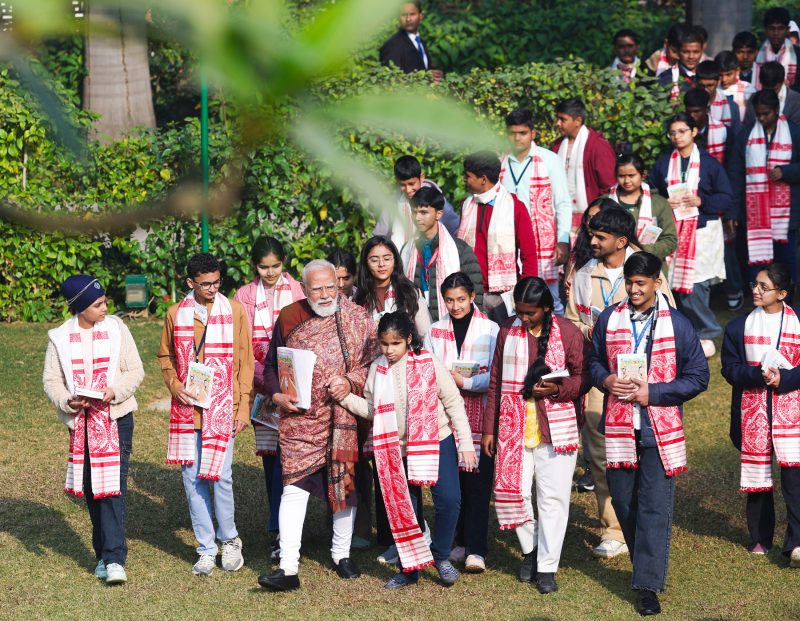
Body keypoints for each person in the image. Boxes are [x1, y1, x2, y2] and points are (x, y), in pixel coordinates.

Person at [589, 251, 709, 617]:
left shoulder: (680, 325)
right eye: (629, 283)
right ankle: (648, 557)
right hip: (620, 425)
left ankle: (646, 586)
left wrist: (651, 393)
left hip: (659, 430)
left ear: (658, 283)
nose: (634, 289)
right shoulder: (611, 318)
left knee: (655, 507)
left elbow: (698, 377)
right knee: (623, 501)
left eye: (641, 283)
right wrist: (605, 379)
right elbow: (594, 362)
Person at [257, 259, 380, 591]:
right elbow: (271, 365)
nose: (326, 294)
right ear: (303, 287)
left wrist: (350, 380)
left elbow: (373, 364)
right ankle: (288, 568)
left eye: (331, 287)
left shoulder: (358, 318)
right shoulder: (290, 316)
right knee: (293, 488)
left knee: (345, 488)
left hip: (344, 418)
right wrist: (277, 394)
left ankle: (342, 555)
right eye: (317, 288)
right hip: (300, 420)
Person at [340, 311, 477, 589]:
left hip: (437, 440)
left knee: (449, 500)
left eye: (396, 344)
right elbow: (372, 410)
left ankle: (440, 556)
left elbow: (453, 402)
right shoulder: (377, 369)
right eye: (384, 344)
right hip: (394, 450)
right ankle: (410, 568)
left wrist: (465, 444)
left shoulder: (428, 362)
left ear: (409, 340)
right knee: (406, 510)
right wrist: (345, 398)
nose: (389, 351)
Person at [566, 207, 673, 561]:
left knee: (645, 452)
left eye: (599, 237)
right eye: (591, 235)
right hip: (602, 380)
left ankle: (643, 519)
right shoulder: (583, 274)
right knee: (601, 454)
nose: (591, 242)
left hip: (645, 381)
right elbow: (572, 322)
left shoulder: (646, 270)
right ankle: (613, 528)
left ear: (621, 241)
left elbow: (668, 320)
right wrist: (592, 333)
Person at [484, 276, 589, 594]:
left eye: (530, 312)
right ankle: (530, 549)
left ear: (545, 308)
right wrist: (489, 428)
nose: (523, 318)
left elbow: (585, 376)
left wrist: (558, 388)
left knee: (553, 500)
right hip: (512, 428)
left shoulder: (567, 332)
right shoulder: (507, 330)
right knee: (511, 494)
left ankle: (547, 566)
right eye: (518, 311)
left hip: (555, 430)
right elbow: (495, 381)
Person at [43, 275, 144, 585]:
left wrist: (114, 391)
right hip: (83, 423)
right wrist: (66, 400)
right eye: (98, 304)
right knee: (90, 486)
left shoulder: (116, 329)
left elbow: (135, 371)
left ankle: (115, 558)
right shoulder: (60, 338)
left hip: (115, 418)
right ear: (80, 308)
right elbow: (51, 381)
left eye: (104, 303)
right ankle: (102, 554)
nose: (105, 308)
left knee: (111, 486)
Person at [158, 253, 253, 576]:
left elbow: (245, 360)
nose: (212, 288)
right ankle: (206, 546)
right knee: (191, 479)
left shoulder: (235, 311)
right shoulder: (175, 314)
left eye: (216, 282)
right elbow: (165, 355)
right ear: (190, 283)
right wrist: (173, 384)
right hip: (188, 410)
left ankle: (229, 540)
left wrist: (243, 406)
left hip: (223, 408)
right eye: (205, 284)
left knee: (222, 477)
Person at [721, 263, 800, 565]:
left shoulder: (798, 322)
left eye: (763, 287)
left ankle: (796, 542)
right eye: (755, 284)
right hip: (753, 409)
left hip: (792, 409)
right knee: (759, 475)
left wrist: (786, 379)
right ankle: (760, 537)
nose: (755, 290)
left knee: (794, 476)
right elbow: (729, 369)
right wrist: (759, 374)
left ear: (782, 293)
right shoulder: (738, 327)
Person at [233, 236, 304, 557]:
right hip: (262, 387)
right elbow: (242, 346)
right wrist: (267, 381)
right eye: (264, 267)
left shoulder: (298, 291)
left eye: (276, 266)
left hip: (294, 385)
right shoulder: (244, 296)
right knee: (271, 459)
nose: (271, 273)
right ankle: (277, 528)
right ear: (254, 266)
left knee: (291, 460)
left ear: (285, 262)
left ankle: (285, 527)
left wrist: (286, 380)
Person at [424, 272, 499, 573]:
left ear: (472, 297)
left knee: (477, 484)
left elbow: (495, 375)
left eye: (461, 300)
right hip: (446, 417)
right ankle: (457, 541)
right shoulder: (436, 330)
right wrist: (449, 385)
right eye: (449, 300)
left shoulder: (490, 329)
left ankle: (477, 548)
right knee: (453, 483)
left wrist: (464, 383)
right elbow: (428, 368)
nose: (455, 306)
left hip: (480, 413)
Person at [649, 113, 734, 358]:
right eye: (673, 132)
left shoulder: (709, 164)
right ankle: (689, 332)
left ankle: (707, 330)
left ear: (694, 132)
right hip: (674, 229)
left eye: (682, 131)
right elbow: (652, 193)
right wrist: (665, 202)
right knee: (674, 283)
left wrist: (701, 200)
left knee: (696, 285)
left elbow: (726, 198)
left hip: (702, 231)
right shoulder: (664, 162)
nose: (677, 136)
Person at [502, 107, 571, 315]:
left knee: (550, 298)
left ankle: (557, 343)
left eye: (522, 133)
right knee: (513, 298)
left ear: (532, 133)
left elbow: (563, 203)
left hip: (543, 241)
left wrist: (563, 239)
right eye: (512, 133)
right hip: (509, 240)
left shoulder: (549, 160)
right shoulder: (501, 162)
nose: (517, 138)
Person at [729, 89, 800, 283]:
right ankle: (759, 302)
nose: (761, 118)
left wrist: (786, 172)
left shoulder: (794, 132)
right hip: (754, 214)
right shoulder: (745, 136)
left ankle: (787, 301)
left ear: (776, 110)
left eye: (765, 113)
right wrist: (734, 212)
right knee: (757, 262)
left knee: (786, 261)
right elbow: (735, 176)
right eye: (758, 114)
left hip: (787, 215)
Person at [457, 150, 538, 317]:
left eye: (468, 176)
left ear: (483, 179)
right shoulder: (467, 206)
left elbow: (529, 255)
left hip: (503, 295)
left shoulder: (515, 207)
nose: (465, 180)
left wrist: (524, 293)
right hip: (471, 291)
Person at [400, 185, 483, 322]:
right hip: (417, 322)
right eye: (414, 212)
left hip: (454, 321)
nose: (418, 218)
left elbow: (476, 291)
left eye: (424, 212)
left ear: (439, 214)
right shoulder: (407, 249)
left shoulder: (459, 249)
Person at [552, 98, 617, 237]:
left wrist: (601, 219)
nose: (558, 123)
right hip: (560, 221)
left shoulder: (597, 146)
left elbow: (609, 187)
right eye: (557, 119)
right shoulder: (557, 146)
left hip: (593, 223)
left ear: (578, 120)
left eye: (562, 119)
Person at [374, 155, 460, 249]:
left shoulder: (435, 199)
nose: (408, 189)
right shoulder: (394, 202)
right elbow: (380, 234)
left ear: (421, 177)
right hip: (399, 257)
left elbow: (455, 228)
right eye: (402, 185)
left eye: (411, 184)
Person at [608, 152, 677, 262]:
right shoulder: (605, 202)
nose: (626, 181)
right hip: (613, 264)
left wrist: (642, 250)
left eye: (631, 176)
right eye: (621, 176)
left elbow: (670, 240)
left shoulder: (659, 203)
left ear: (643, 174)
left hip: (650, 266)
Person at [355, 235, 431, 335]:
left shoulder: (410, 293)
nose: (381, 264)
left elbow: (425, 334)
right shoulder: (359, 298)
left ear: (395, 261)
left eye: (386, 259)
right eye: (374, 260)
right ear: (366, 263)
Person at [378, 1, 442, 80]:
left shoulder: (421, 42)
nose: (408, 19)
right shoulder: (392, 45)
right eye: (404, 15)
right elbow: (391, 81)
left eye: (412, 14)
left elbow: (419, 69)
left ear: (421, 16)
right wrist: (426, 76)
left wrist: (433, 76)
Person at [755, 7, 799, 91]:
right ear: (765, 30)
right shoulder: (756, 55)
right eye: (772, 28)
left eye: (780, 28)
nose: (776, 33)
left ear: (787, 30)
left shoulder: (798, 54)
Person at [684, 87, 729, 164]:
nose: (692, 115)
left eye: (696, 111)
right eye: (689, 112)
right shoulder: (680, 131)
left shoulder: (724, 131)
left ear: (707, 109)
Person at [695, 60, 741, 136]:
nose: (705, 90)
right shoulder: (688, 103)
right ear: (696, 82)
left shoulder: (731, 105)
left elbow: (736, 135)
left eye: (710, 85)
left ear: (719, 81)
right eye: (702, 86)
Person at [658, 26, 704, 100]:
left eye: (696, 52)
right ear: (678, 52)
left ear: (702, 51)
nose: (691, 56)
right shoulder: (665, 79)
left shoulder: (710, 74)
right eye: (686, 52)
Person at [755, 61, 800, 125]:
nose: (769, 93)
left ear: (782, 82)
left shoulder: (797, 101)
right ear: (760, 83)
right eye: (766, 89)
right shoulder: (753, 100)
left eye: (774, 90)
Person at [717, 49, 756, 123]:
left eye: (728, 74)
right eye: (720, 75)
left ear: (737, 71)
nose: (724, 79)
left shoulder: (748, 90)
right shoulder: (715, 90)